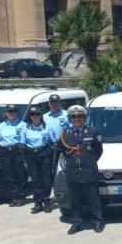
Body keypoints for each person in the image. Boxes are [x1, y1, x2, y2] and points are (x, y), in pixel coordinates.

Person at [60, 105, 104, 234]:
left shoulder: (92, 132)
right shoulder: (65, 134)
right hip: (73, 172)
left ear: (84, 118)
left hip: (88, 171)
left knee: (93, 199)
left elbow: (98, 151)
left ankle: (98, 222)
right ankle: (76, 223)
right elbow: (63, 151)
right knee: (74, 199)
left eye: (79, 116)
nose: (76, 119)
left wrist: (89, 162)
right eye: (73, 117)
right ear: (70, 119)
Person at [22, 105, 54, 213]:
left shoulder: (47, 127)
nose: (35, 116)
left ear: (41, 115)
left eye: (37, 114)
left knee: (46, 179)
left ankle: (47, 202)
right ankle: (38, 203)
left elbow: (53, 142)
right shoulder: (25, 128)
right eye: (32, 115)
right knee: (36, 180)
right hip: (31, 155)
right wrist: (24, 160)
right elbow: (22, 145)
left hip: (44, 154)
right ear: (30, 117)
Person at [0, 105, 28, 207]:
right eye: (10, 111)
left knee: (21, 175)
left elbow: (25, 140)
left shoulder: (23, 125)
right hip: (5, 152)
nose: (12, 113)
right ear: (5, 113)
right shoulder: (1, 126)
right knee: (9, 176)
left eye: (14, 111)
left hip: (18, 151)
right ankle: (14, 197)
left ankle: (21, 197)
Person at [43, 93, 68, 180]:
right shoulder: (44, 117)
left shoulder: (66, 115)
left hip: (63, 145)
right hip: (48, 146)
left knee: (62, 168)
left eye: (56, 102)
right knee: (48, 170)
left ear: (59, 103)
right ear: (49, 104)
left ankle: (60, 186)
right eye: (52, 103)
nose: (54, 105)